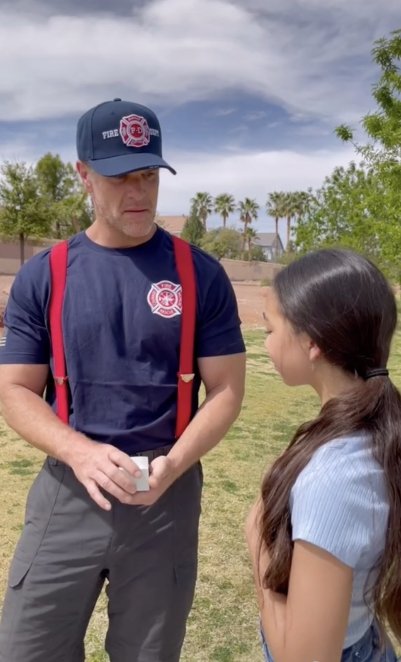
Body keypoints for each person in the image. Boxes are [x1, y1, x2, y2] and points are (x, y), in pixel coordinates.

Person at [0, 98, 246, 662]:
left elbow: (227, 390)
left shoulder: (199, 274)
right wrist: (79, 452)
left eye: (148, 174)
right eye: (118, 176)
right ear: (83, 174)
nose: (138, 192)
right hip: (68, 489)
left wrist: (175, 465)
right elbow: (14, 390)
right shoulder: (47, 273)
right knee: (26, 649)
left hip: (166, 496)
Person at [245, 249, 401, 662]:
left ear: (312, 343)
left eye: (271, 328)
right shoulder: (373, 431)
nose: (267, 342)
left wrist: (257, 544)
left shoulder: (336, 476)